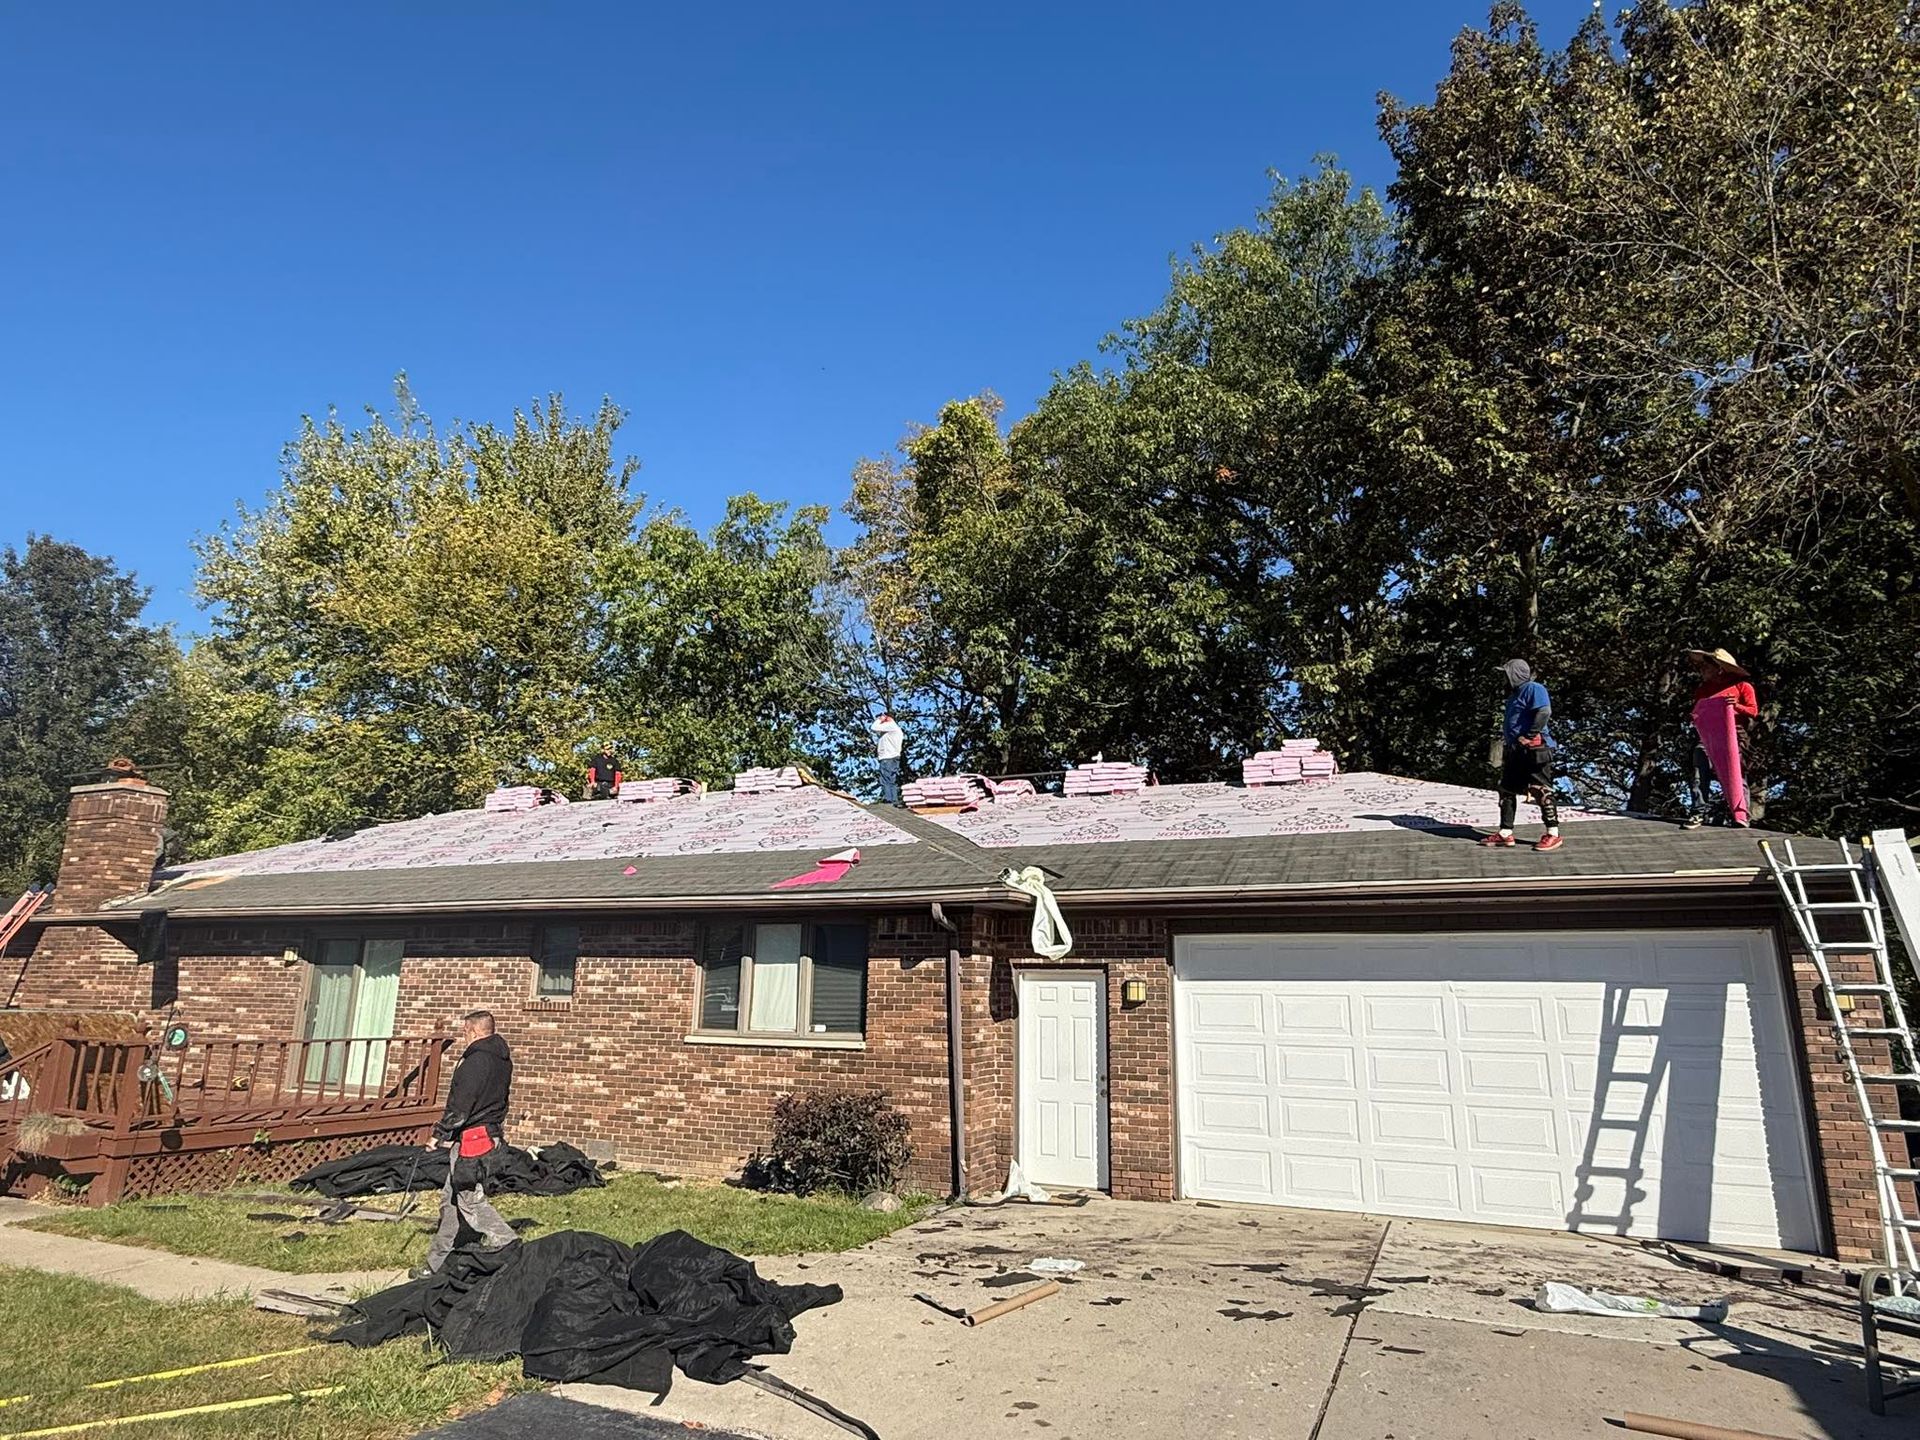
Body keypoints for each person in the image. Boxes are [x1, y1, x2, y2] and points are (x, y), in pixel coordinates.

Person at [414, 1010, 519, 1277]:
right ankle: (437, 1262)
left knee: (470, 1200)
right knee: (450, 1200)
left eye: (464, 1031)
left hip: (474, 1138)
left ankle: (508, 1244)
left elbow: (462, 1104)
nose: (463, 1036)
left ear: (471, 1030)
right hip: (490, 1133)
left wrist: (440, 1133)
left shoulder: (476, 1061)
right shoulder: (502, 1060)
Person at [1482, 658, 1563, 852]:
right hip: (1517, 749)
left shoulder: (1533, 688)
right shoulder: (1515, 695)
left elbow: (1544, 711)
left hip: (1535, 748)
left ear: (1515, 674)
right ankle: (1505, 833)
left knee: (1540, 789)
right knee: (1507, 789)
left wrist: (1529, 735)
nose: (1504, 678)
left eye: (1506, 674)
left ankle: (1553, 833)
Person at [1684, 648, 1759, 829]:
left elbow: (1753, 711)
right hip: (1708, 734)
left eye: (1705, 667)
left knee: (1735, 772)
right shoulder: (1704, 690)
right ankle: (1698, 811)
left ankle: (1740, 814)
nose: (1701, 671)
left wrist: (1736, 706)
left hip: (1733, 733)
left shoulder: (1742, 686)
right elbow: (1698, 712)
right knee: (1699, 766)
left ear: (1718, 668)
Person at [870, 712, 905, 804]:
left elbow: (873, 727)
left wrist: (879, 720)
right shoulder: (896, 729)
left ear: (888, 718)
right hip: (894, 757)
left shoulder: (890, 726)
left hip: (887, 757)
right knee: (891, 779)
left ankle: (889, 799)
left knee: (885, 779)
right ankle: (894, 799)